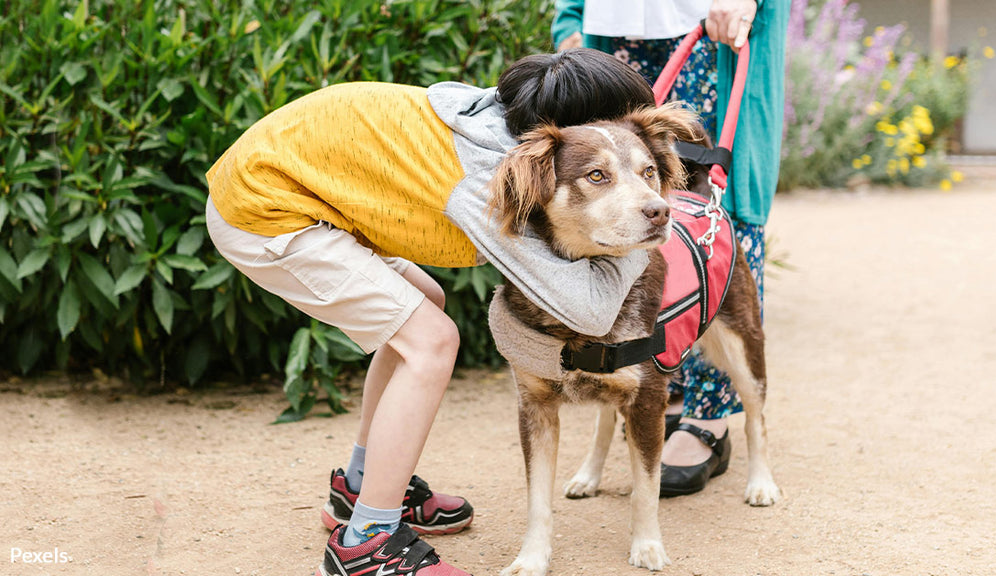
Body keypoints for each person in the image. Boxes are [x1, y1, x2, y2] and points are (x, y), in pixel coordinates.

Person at [204, 49, 658, 576]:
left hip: (291, 193)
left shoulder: (495, 119)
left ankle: (360, 487)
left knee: (426, 308)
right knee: (432, 340)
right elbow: (590, 310)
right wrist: (649, 229)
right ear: (565, 127)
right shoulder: (490, 177)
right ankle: (368, 543)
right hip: (264, 210)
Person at [552, 0, 790, 497]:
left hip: (715, 27)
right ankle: (666, 397)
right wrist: (572, 19)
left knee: (714, 231)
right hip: (616, 39)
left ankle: (710, 416)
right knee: (624, 231)